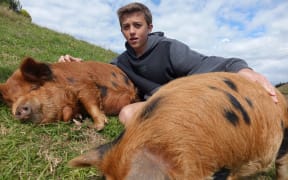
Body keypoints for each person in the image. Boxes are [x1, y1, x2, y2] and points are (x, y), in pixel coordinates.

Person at [59, 2, 278, 126]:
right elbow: (103, 73)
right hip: (160, 106)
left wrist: (244, 69)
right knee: (126, 114)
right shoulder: (122, 62)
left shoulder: (170, 49)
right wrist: (77, 64)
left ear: (149, 27)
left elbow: (209, 63)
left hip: (189, 102)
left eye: (137, 25)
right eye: (126, 27)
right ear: (121, 31)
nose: (132, 31)